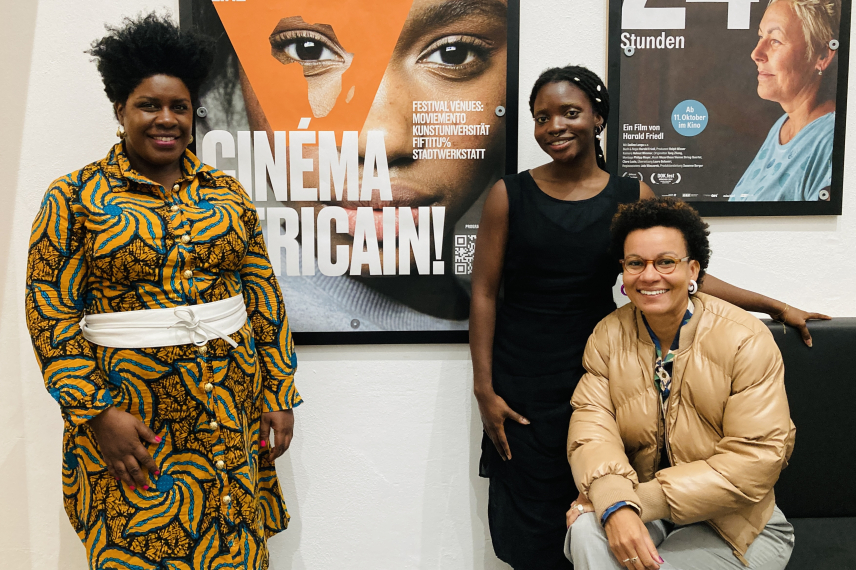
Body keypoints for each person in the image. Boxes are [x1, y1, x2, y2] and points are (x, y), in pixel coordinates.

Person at [469, 65, 825, 568]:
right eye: (541, 117)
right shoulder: (510, 194)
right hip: (521, 375)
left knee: (592, 498)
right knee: (527, 519)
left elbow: (677, 271)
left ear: (598, 118)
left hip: (602, 365)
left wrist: (774, 306)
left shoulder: (630, 195)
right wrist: (483, 388)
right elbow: (483, 293)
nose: (554, 126)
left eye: (570, 112)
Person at [25, 14, 301, 569]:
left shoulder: (228, 195)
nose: (166, 120)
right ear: (120, 110)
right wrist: (96, 413)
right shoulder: (75, 197)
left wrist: (278, 392)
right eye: (149, 105)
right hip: (132, 418)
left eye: (179, 106)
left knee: (232, 547)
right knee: (140, 548)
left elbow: (264, 299)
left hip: (229, 408)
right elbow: (48, 313)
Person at [192, 0, 508, 332]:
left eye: (453, 53)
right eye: (308, 49)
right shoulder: (212, 313)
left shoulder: (521, 322)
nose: (382, 141)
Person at [565, 198, 795, 570]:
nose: (649, 275)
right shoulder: (609, 335)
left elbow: (756, 458)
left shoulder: (744, 339)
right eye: (636, 263)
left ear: (693, 269)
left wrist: (632, 502)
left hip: (734, 523)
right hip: (643, 506)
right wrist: (613, 500)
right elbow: (591, 429)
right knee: (586, 530)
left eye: (665, 262)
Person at [731, 0, 841, 202]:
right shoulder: (781, 127)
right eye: (761, 36)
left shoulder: (832, 141)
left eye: (776, 41)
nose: (756, 53)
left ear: (823, 55)